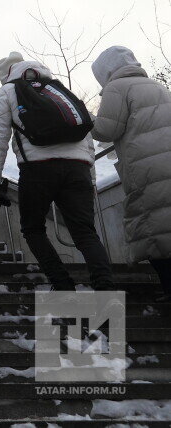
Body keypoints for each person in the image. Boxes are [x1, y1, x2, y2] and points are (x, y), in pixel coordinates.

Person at [0, 51, 114, 292]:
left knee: (33, 228)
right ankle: (104, 286)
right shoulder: (59, 89)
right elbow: (85, 136)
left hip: (37, 170)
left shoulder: (7, 91)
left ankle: (62, 284)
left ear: (7, 75)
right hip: (78, 169)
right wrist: (90, 180)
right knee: (85, 231)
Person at [91, 46, 171, 301]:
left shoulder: (117, 88)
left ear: (106, 71)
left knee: (152, 232)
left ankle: (169, 289)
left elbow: (106, 130)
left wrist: (83, 117)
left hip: (146, 169)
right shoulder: (156, 86)